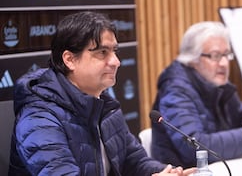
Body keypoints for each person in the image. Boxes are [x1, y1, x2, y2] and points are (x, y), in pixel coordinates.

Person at [8, 11, 195, 176]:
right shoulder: (39, 119)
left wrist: (165, 172)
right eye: (102, 52)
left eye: (114, 51)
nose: (116, 62)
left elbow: (135, 162)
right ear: (70, 59)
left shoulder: (105, 106)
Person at [151, 21, 242, 168]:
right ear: (193, 59)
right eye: (215, 56)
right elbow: (194, 146)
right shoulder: (175, 90)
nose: (224, 63)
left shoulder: (218, 84)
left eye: (226, 54)